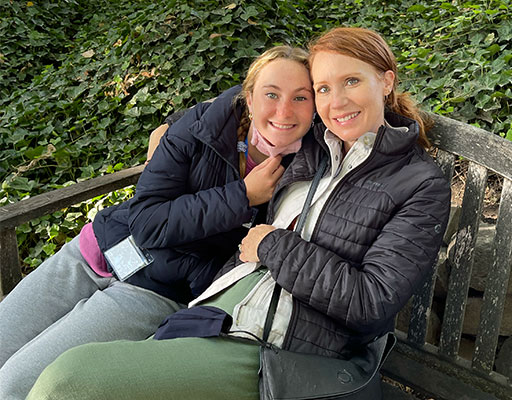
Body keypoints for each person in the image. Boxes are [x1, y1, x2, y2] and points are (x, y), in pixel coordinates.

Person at [26, 27, 451, 400]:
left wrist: (270, 244)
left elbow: (371, 300)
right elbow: (262, 98)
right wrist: (173, 129)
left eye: (352, 81)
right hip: (211, 310)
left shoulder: (418, 183)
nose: (335, 101)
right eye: (323, 88)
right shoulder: (319, 142)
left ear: (387, 81)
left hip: (276, 345)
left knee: (64, 379)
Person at [0, 45, 315, 399]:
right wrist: (240, 196)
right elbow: (147, 220)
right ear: (250, 96)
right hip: (95, 252)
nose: (284, 110)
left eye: (301, 98)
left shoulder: (312, 165)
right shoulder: (200, 126)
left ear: (316, 104)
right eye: (271, 94)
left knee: (15, 384)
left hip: (154, 291)